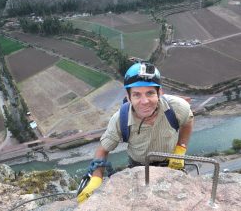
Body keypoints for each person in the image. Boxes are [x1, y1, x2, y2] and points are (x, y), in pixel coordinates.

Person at [77, 61, 194, 203]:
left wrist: (180, 150)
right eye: (137, 95)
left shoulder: (177, 107)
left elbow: (188, 121)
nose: (144, 101)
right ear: (128, 96)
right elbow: (102, 151)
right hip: (138, 167)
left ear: (160, 92)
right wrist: (96, 179)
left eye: (150, 93)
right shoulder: (121, 119)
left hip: (171, 164)